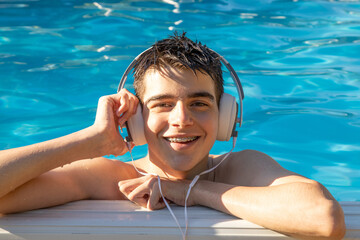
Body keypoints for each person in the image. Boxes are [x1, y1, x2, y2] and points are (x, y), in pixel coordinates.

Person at [0, 32, 345, 239]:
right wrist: (90, 141)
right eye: (162, 104)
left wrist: (189, 190)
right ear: (134, 117)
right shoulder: (109, 179)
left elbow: (324, 219)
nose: (182, 120)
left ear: (226, 117)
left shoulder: (241, 168)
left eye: (199, 103)